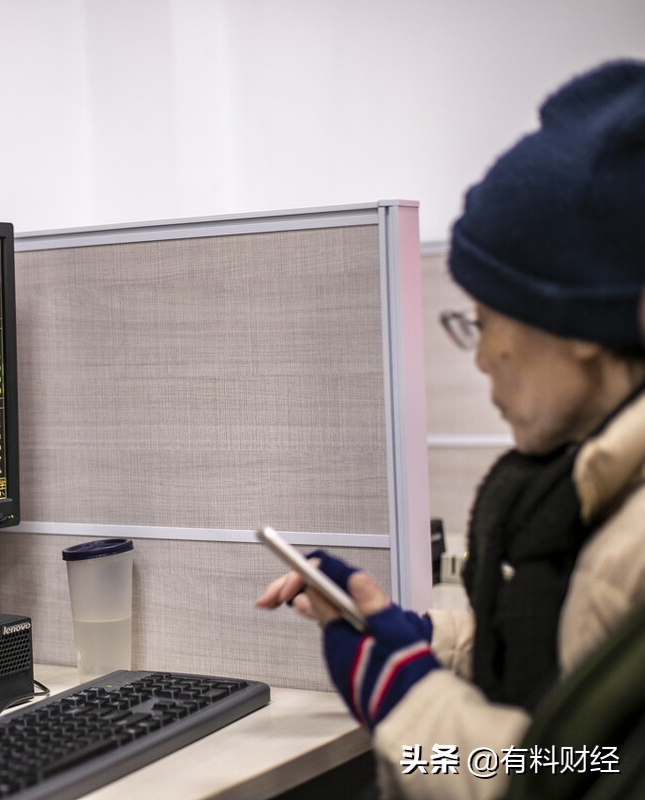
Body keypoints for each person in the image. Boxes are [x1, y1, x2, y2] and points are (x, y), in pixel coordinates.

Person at [256, 59, 645, 799]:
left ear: (577, 326)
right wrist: (412, 637)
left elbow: (562, 774)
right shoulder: (592, 496)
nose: (482, 356)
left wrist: (405, 697)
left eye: (487, 321)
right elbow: (561, 675)